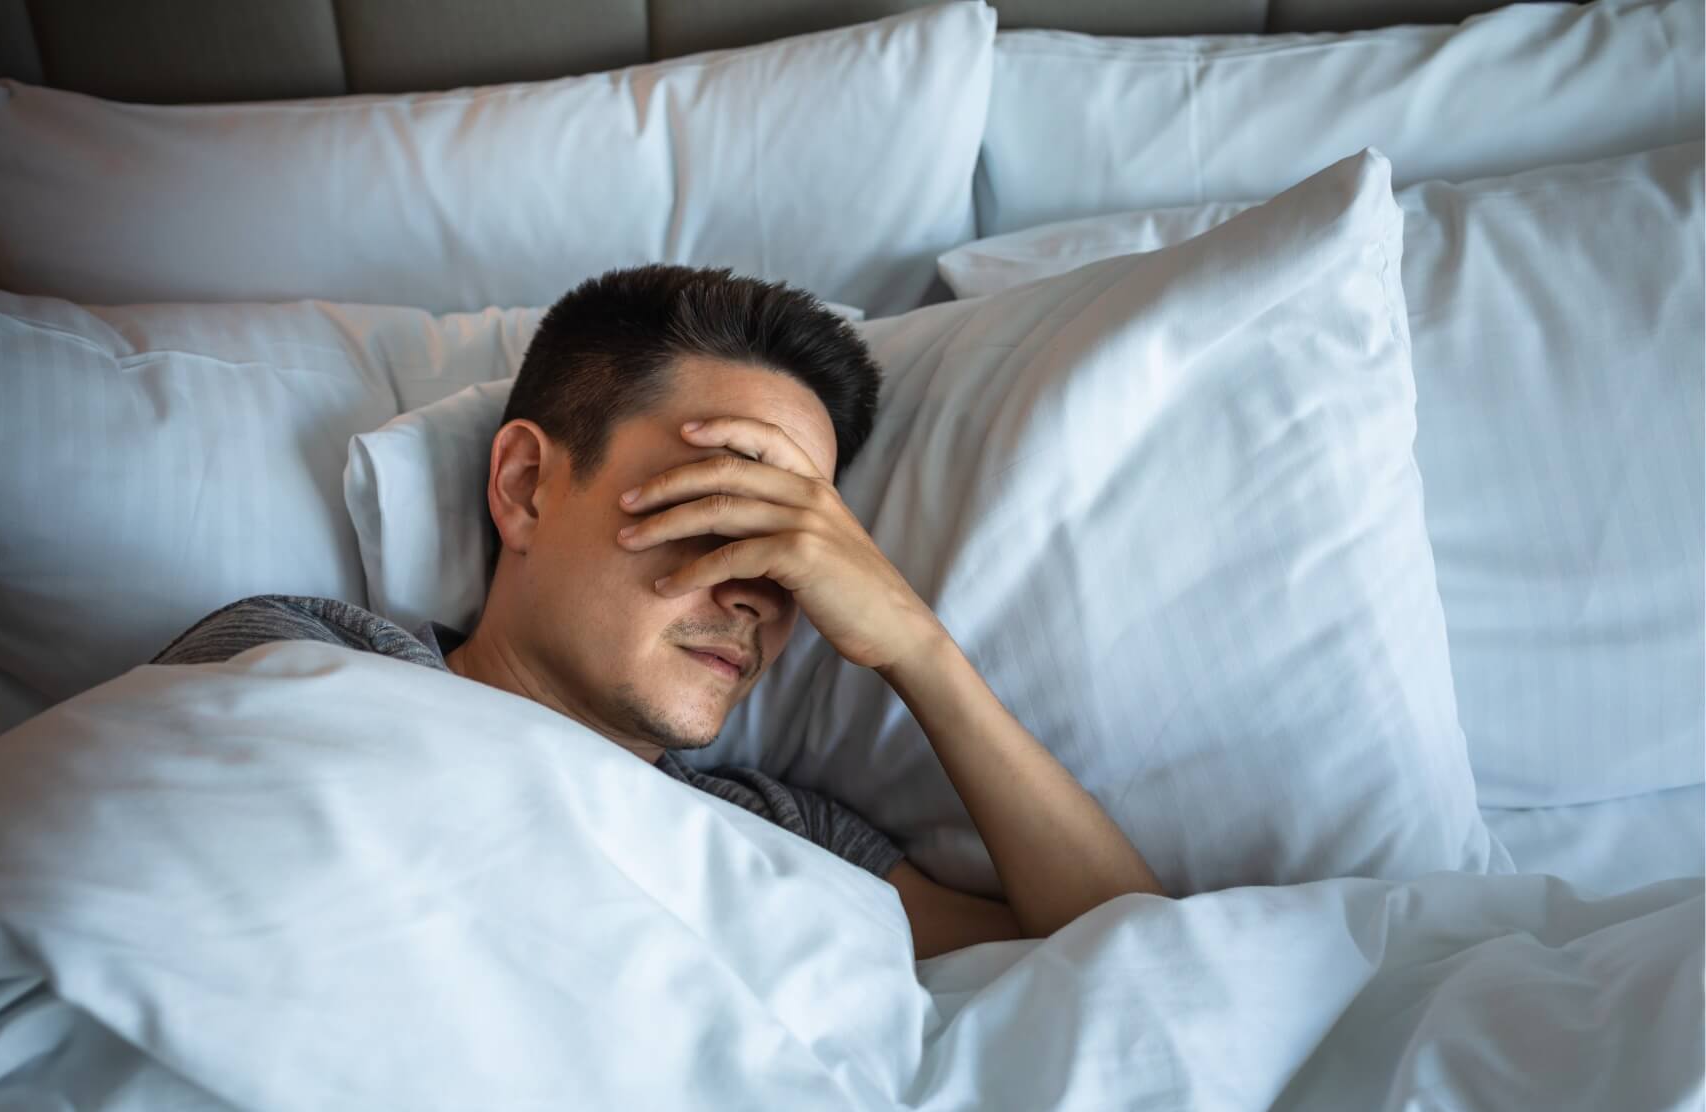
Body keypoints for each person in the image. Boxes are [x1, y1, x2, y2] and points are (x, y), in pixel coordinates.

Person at [153, 265, 1163, 959]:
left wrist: (913, 645)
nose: (756, 591)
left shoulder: (769, 834)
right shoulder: (301, 654)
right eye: (720, 505)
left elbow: (1130, 958)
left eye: (802, 550)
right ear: (524, 486)